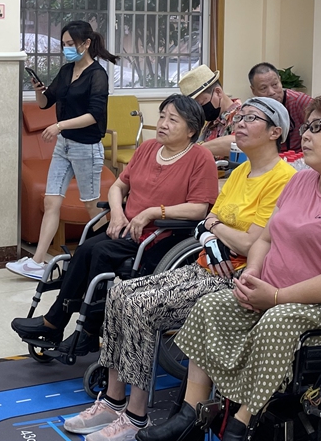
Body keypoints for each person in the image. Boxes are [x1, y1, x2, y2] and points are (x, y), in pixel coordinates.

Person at [138, 94, 321, 441]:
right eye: (306, 126)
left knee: (277, 321)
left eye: (317, 127)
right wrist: (253, 277)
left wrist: (277, 296)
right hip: (273, 288)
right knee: (212, 306)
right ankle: (191, 417)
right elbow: (264, 239)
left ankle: (238, 435)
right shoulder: (302, 182)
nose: (305, 135)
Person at [66, 98, 296, 441]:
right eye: (241, 116)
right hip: (205, 264)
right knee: (119, 292)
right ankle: (112, 401)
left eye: (252, 118)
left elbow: (252, 244)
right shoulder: (238, 173)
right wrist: (215, 232)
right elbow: (207, 222)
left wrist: (216, 230)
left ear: (275, 132)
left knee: (141, 304)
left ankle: (136, 417)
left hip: (233, 278)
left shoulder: (284, 179)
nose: (241, 123)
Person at [11, 95, 219, 352]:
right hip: (129, 229)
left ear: (191, 130)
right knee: (84, 250)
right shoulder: (148, 148)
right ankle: (56, 322)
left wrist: (154, 212)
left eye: (172, 120)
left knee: (99, 253)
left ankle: (83, 331)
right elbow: (119, 186)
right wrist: (118, 214)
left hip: (163, 236)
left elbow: (199, 207)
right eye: (162, 116)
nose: (163, 123)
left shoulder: (200, 158)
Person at [7, 20, 117, 280]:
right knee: (51, 200)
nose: (66, 49)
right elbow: (47, 103)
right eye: (64, 45)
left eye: (71, 44)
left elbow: (94, 114)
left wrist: (59, 125)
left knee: (91, 206)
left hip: (86, 147)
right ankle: (37, 262)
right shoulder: (67, 71)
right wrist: (38, 92)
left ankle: (110, 254)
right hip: (64, 145)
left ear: (86, 44)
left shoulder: (97, 75)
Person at [179, 65, 241, 159]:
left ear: (218, 92)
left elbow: (239, 142)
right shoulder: (208, 121)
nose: (200, 110)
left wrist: (196, 149)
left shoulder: (243, 115)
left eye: (201, 103)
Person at [248, 62, 311, 153]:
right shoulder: (252, 110)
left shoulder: (300, 101)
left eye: (275, 85)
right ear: (253, 90)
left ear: (280, 81)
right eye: (263, 88)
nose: (271, 92)